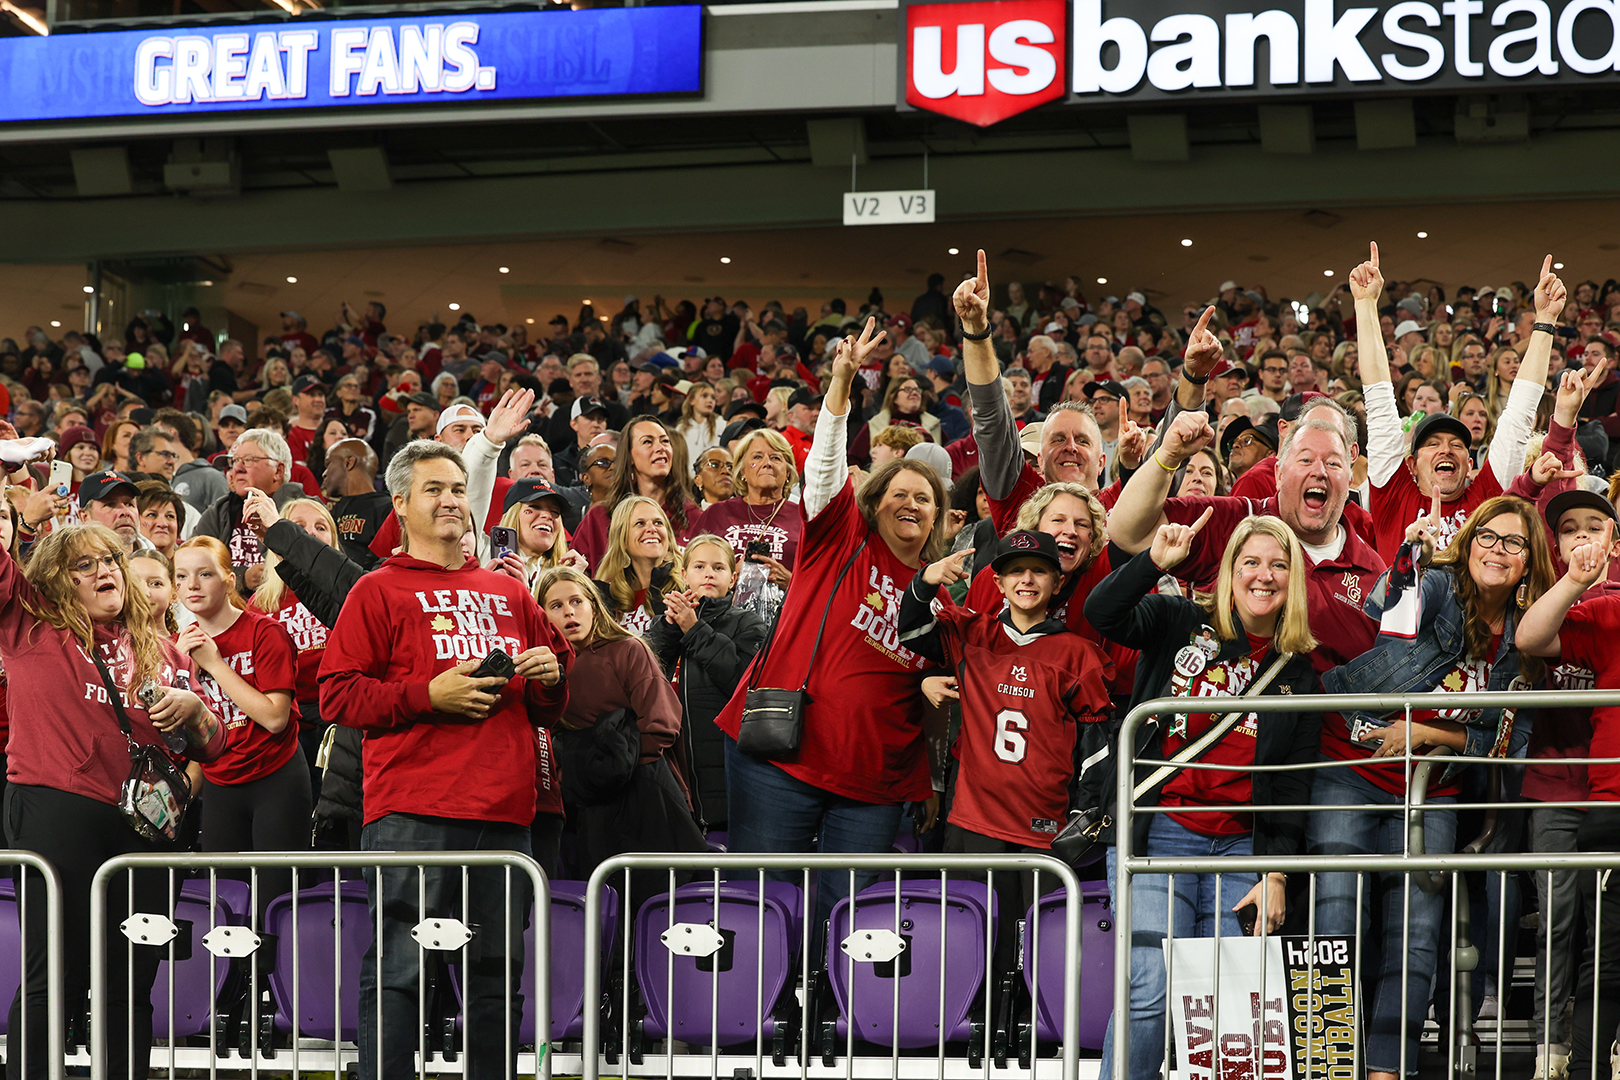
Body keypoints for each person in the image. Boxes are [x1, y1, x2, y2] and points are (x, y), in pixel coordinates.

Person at [319, 439, 571, 1080]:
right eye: (434, 489)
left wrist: (549, 677)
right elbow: (337, 694)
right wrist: (426, 695)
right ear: (400, 504)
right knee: (400, 972)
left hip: (505, 811)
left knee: (495, 980)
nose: (451, 500)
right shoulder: (376, 591)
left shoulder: (509, 594)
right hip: (410, 809)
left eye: (458, 489)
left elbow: (549, 705)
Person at [713, 319, 945, 928]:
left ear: (939, 518)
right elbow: (823, 467)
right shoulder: (840, 536)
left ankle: (825, 1025)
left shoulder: (944, 592)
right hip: (780, 758)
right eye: (898, 492)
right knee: (761, 912)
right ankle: (758, 1023)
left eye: (925, 498)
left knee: (847, 927)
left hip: (872, 782)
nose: (911, 503)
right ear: (872, 503)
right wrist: (841, 380)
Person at [1316, 494, 1554, 1080]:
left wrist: (1421, 729)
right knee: (1337, 922)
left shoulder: (1528, 640)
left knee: (1418, 937)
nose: (1497, 551)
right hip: (1350, 764)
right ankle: (1332, 1066)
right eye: (1487, 537)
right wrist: (1409, 559)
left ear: (1529, 563)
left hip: (1432, 790)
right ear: (1469, 542)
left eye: (1513, 543)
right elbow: (1384, 606)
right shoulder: (1440, 586)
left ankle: (1385, 1069)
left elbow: (1509, 742)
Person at [1085, 512, 1320, 1080]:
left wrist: (1279, 873)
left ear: (1294, 582)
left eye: (1278, 565)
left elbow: (1292, 786)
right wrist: (1152, 564)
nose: (1263, 576)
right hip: (1159, 833)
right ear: (1228, 570)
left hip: (1242, 851)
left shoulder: (1300, 670)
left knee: (1223, 1012)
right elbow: (1101, 612)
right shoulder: (1178, 620)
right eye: (1251, 563)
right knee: (1148, 990)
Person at [0, 518, 224, 1080]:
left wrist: (195, 713)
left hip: (144, 831)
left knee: (131, 982)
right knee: (56, 976)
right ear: (54, 581)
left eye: (109, 561)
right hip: (58, 812)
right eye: (83, 565)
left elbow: (215, 745)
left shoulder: (165, 653)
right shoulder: (29, 625)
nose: (104, 571)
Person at [896, 530, 1113, 966]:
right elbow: (912, 630)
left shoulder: (1078, 655)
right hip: (973, 820)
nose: (1026, 580)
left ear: (1058, 582)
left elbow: (1096, 749)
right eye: (1015, 571)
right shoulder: (972, 632)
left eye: (1038, 571)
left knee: (1031, 955)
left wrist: (1081, 816)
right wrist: (925, 580)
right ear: (997, 583)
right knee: (967, 950)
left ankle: (1027, 1035)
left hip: (1042, 828)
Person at [1353, 244, 1552, 563]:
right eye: (1432, 444)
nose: (1446, 450)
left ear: (1470, 465)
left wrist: (1545, 320)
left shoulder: (1486, 495)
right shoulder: (1392, 493)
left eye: (1457, 445)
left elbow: (1519, 414)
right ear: (1411, 466)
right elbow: (1377, 394)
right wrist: (1365, 305)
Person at [535, 565, 702, 904]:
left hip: (645, 791)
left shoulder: (627, 649)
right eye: (556, 605)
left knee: (661, 907)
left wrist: (613, 764)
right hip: (584, 806)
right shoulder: (544, 669)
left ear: (593, 606)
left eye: (577, 601)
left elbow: (662, 724)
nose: (569, 611)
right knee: (603, 912)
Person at [955, 251, 1141, 532]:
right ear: (1039, 460)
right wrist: (976, 329)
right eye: (1057, 439)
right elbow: (991, 419)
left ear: (1103, 462)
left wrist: (1195, 377)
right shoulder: (1019, 501)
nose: (1070, 447)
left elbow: (1171, 459)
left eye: (1082, 440)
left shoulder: (1119, 506)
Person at [174, 536, 308, 917]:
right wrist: (180, 672)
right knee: (224, 902)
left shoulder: (265, 632)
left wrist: (216, 666)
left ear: (229, 580)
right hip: (219, 782)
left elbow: (274, 717)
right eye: (182, 576)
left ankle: (277, 979)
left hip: (275, 777)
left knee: (275, 902)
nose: (193, 585)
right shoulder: (176, 647)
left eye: (205, 574)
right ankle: (232, 979)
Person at [644, 535, 768, 831]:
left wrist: (694, 628)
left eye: (718, 567)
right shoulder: (668, 623)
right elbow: (643, 674)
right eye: (699, 566)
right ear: (684, 575)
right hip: (676, 770)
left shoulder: (749, 623)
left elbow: (741, 682)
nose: (709, 573)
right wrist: (670, 628)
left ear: (733, 577)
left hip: (730, 770)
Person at [245, 495, 340, 800]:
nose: (310, 534)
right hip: (289, 730)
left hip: (343, 722)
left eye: (321, 527)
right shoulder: (258, 606)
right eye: (298, 526)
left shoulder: (356, 594)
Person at [570, 416, 701, 570]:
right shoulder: (599, 518)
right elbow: (574, 579)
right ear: (629, 456)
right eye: (647, 442)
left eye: (665, 441)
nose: (660, 448)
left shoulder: (694, 518)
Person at [195, 428, 306, 593]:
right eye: (234, 461)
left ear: (278, 471)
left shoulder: (305, 511)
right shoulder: (219, 512)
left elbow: (314, 567)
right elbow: (195, 565)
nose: (237, 468)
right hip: (232, 612)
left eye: (248, 460)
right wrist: (241, 578)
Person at [593, 495, 684, 635]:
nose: (652, 529)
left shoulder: (686, 587)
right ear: (623, 540)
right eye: (640, 523)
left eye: (658, 523)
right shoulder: (609, 598)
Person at [493, 477, 585, 585]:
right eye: (534, 507)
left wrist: (572, 582)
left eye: (555, 511)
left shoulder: (564, 573)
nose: (547, 515)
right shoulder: (484, 552)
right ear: (513, 515)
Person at [322, 438, 391, 569]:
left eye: (328, 464)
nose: (324, 474)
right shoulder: (334, 510)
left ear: (349, 463)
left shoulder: (387, 509)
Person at [677, 382, 724, 461]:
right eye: (704, 396)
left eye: (713, 397)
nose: (710, 400)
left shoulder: (721, 425)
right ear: (691, 400)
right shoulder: (681, 429)